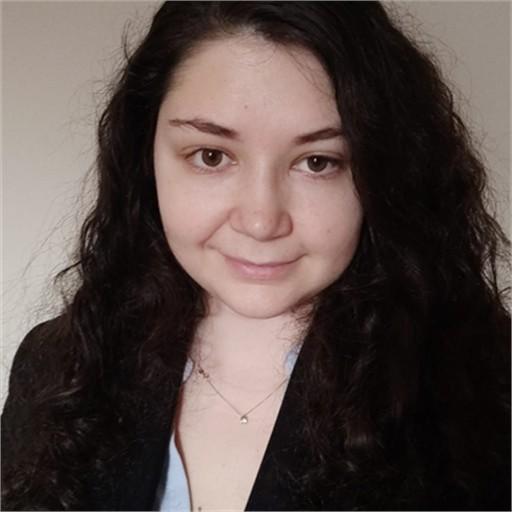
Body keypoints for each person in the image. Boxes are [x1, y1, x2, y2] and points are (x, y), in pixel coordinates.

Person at [2, 2, 510, 511]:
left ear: (388, 173)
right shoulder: (57, 365)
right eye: (211, 156)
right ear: (144, 159)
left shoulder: (487, 386)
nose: (262, 221)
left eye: (318, 162)